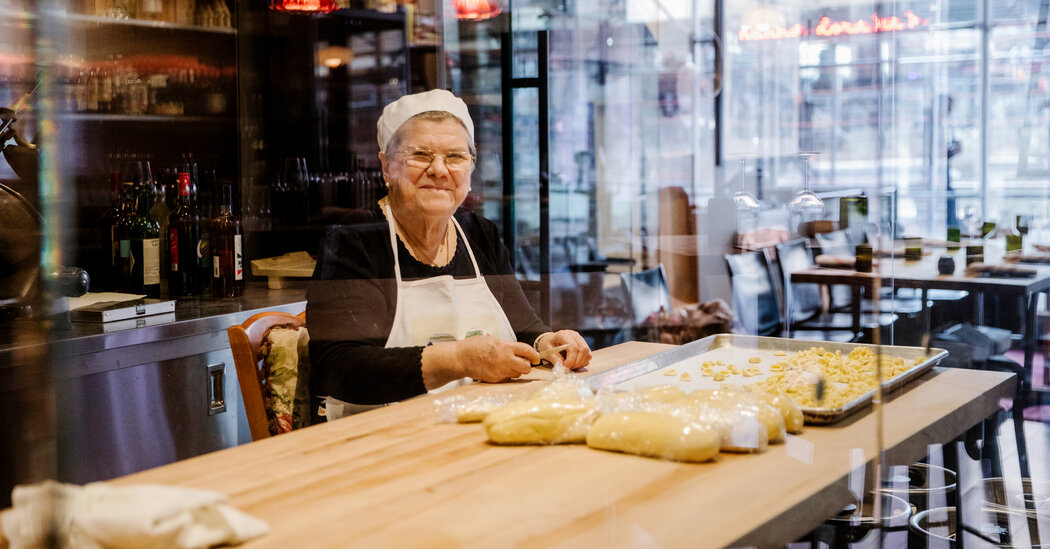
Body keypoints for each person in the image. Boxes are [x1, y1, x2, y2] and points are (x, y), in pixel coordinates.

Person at [307, 89, 592, 420]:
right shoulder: (356, 240)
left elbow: (523, 326)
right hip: (379, 440)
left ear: (470, 170)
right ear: (387, 167)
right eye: (420, 154)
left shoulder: (480, 235)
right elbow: (338, 368)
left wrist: (549, 343)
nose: (439, 170)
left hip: (474, 428)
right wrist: (459, 359)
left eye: (455, 157)